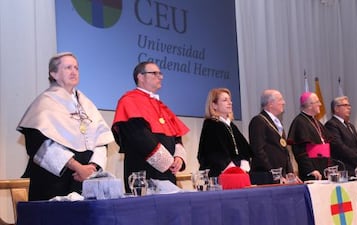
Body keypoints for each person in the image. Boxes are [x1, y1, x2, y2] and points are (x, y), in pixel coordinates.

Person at [17, 52, 114, 201]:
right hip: (53, 184)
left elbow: (101, 140)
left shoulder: (86, 104)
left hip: (85, 181)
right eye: (68, 67)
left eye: (76, 67)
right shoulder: (44, 103)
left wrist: (92, 169)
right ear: (54, 73)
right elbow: (39, 145)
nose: (74, 71)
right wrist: (78, 167)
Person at [112, 61, 189, 192]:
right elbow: (138, 136)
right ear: (140, 77)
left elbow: (175, 134)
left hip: (168, 173)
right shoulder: (129, 101)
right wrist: (167, 162)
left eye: (160, 73)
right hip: (144, 174)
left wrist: (178, 158)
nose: (160, 77)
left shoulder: (160, 105)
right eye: (154, 73)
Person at [197, 88, 253, 177]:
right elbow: (212, 152)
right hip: (220, 175)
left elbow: (245, 148)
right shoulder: (211, 125)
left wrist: (243, 163)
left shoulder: (231, 126)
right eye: (225, 100)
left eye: (230, 100)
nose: (230, 103)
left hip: (238, 172)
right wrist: (231, 166)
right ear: (214, 105)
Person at [249, 89, 300, 184]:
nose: (283, 102)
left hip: (281, 176)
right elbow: (258, 151)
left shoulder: (277, 123)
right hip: (265, 176)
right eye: (280, 100)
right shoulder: (258, 121)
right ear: (270, 103)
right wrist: (275, 174)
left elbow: (284, 151)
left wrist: (290, 173)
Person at [287, 92, 332, 181]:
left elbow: (326, 145)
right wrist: (310, 170)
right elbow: (300, 151)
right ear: (310, 105)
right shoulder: (299, 122)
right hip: (312, 172)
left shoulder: (316, 121)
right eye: (317, 102)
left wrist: (331, 167)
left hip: (324, 169)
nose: (320, 104)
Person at [324, 96, 357, 176]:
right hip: (344, 169)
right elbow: (339, 146)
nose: (349, 108)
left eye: (349, 105)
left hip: (356, 168)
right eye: (345, 105)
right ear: (336, 109)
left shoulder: (350, 125)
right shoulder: (331, 124)